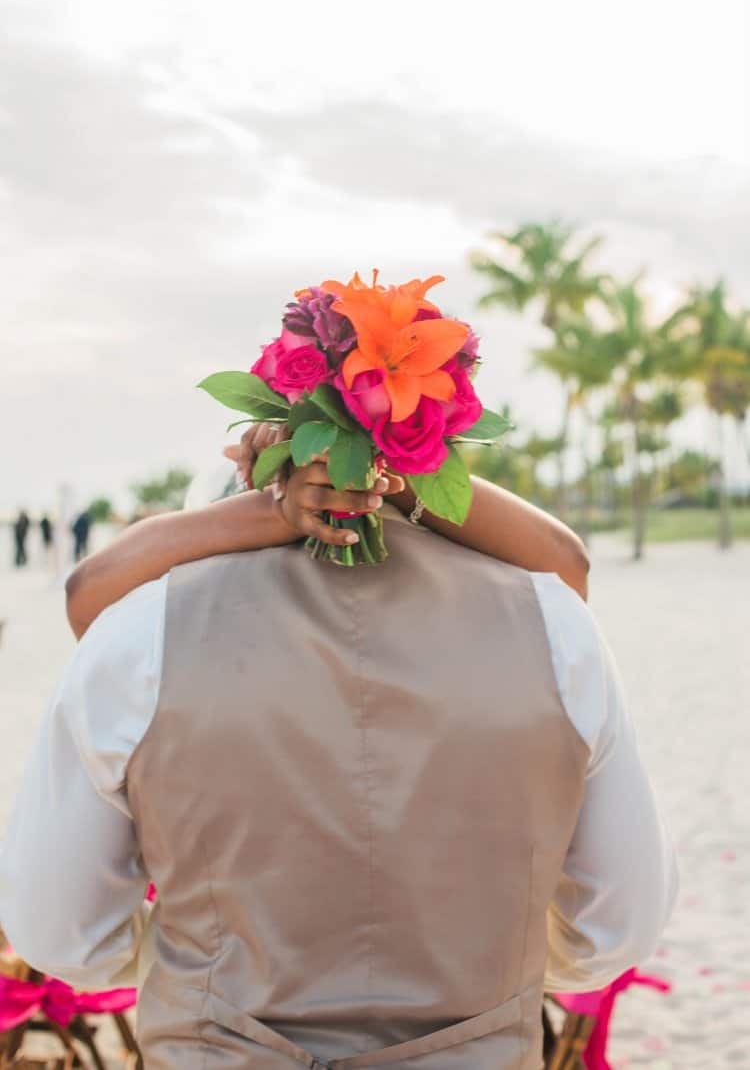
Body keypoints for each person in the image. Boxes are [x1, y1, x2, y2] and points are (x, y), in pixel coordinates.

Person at [0, 427, 677, 1070]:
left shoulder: (135, 636)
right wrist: (497, 978)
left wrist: (193, 963)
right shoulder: (560, 628)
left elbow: (60, 931)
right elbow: (619, 925)